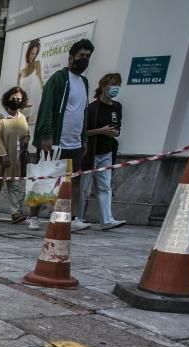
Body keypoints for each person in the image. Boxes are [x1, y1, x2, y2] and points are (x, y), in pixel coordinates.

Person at [31, 38, 94, 232]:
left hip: (75, 142)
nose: (84, 59)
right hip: (56, 140)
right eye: (81, 56)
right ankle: (33, 217)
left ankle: (67, 217)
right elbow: (47, 108)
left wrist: (84, 140)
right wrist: (46, 135)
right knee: (44, 179)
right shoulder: (58, 79)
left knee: (73, 182)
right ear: (71, 58)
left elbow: (83, 112)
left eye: (88, 57)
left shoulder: (84, 82)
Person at [79, 73, 126, 230]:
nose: (116, 88)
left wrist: (114, 133)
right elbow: (83, 132)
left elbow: (118, 128)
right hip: (90, 152)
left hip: (107, 151)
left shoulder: (117, 107)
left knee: (105, 186)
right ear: (104, 86)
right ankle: (78, 217)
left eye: (118, 84)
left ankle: (106, 219)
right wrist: (101, 131)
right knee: (84, 186)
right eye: (113, 84)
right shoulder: (92, 108)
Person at [0, 86, 32, 226]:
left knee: (14, 186)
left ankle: (15, 213)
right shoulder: (0, 118)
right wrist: (2, 155)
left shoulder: (22, 118)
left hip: (15, 159)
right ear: (7, 99)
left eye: (19, 99)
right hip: (1, 159)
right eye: (14, 98)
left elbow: (26, 133)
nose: (16, 101)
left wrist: (26, 140)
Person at [17, 40, 44, 126]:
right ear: (28, 52)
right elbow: (17, 89)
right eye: (32, 53)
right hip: (20, 107)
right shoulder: (21, 69)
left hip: (31, 107)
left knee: (27, 134)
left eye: (35, 53)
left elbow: (40, 81)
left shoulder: (37, 64)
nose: (33, 56)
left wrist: (45, 91)